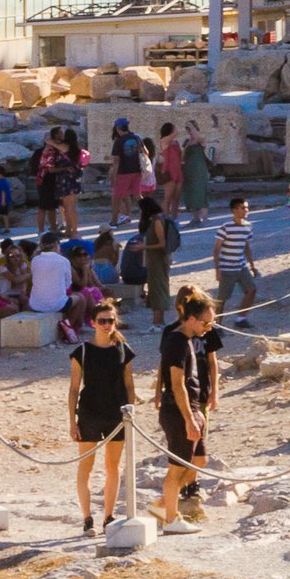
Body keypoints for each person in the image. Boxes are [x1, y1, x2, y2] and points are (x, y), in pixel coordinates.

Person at [153, 290, 219, 532]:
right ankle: (171, 520)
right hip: (178, 411)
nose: (209, 327)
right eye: (205, 322)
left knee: (197, 459)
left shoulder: (188, 339)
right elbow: (177, 382)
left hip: (189, 409)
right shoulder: (176, 340)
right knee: (177, 467)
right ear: (191, 318)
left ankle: (164, 507)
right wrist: (189, 417)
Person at [69, 300, 136, 534]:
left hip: (116, 413)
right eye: (102, 321)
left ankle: (108, 515)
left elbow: (129, 384)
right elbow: (74, 388)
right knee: (85, 466)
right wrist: (71, 421)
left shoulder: (122, 349)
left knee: (113, 465)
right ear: (93, 323)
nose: (107, 325)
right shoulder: (83, 351)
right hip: (89, 412)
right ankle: (87, 518)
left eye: (110, 320)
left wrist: (131, 412)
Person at [212, 197, 259, 324]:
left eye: (246, 208)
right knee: (222, 298)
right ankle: (216, 325)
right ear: (234, 210)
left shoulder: (248, 226)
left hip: (241, 266)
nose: (246, 210)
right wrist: (217, 269)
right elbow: (216, 249)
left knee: (251, 290)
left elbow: (246, 246)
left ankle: (241, 318)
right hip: (227, 268)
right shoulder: (225, 228)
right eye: (243, 208)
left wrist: (252, 266)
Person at [137, 195, 173, 326]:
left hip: (158, 260)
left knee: (157, 288)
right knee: (155, 288)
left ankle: (157, 323)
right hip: (154, 260)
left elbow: (162, 243)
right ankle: (159, 321)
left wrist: (143, 246)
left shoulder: (157, 221)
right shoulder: (155, 220)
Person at [176, 122, 212, 229]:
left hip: (199, 170)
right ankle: (195, 218)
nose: (189, 131)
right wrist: (186, 147)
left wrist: (192, 127)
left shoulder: (201, 138)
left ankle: (204, 218)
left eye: (191, 128)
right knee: (190, 193)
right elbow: (182, 156)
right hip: (188, 170)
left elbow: (197, 138)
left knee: (201, 191)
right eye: (188, 129)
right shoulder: (187, 142)